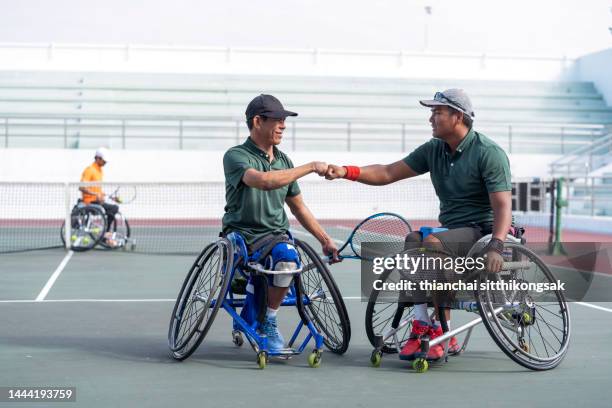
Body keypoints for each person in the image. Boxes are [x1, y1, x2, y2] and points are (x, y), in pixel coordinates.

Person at [325, 89, 512, 361]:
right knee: (414, 241)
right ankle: (423, 324)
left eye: (437, 112)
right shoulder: (434, 149)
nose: (431, 119)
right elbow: (388, 172)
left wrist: (497, 244)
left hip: (482, 231)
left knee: (432, 244)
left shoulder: (488, 153)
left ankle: (440, 331)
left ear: (457, 116)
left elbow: (502, 206)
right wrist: (347, 171)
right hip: (452, 231)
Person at [222, 94, 340, 351]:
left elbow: (297, 206)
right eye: (277, 120)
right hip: (242, 237)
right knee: (275, 259)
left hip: (275, 236)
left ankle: (268, 322)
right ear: (257, 121)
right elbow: (264, 181)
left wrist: (325, 240)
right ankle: (256, 306)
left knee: (287, 257)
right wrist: (310, 167)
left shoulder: (284, 161)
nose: (283, 125)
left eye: (284, 120)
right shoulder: (235, 156)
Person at [79, 147, 120, 246]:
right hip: (89, 202)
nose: (105, 163)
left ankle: (105, 233)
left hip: (97, 201)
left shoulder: (100, 171)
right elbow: (81, 187)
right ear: (97, 158)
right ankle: (105, 233)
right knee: (113, 208)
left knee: (114, 207)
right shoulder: (89, 170)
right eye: (103, 160)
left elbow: (97, 190)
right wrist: (95, 194)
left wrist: (110, 196)